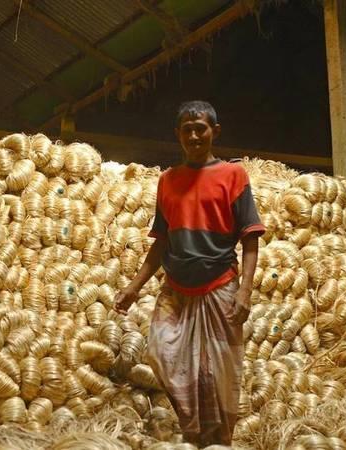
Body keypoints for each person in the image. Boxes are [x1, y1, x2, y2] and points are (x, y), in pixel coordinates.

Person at [114, 100, 264, 447]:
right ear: (178, 134)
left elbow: (251, 236)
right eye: (187, 129)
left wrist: (245, 292)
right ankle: (193, 430)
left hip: (220, 287)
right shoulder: (168, 181)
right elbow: (162, 241)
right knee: (161, 353)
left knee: (218, 375)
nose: (194, 135)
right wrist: (135, 286)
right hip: (176, 289)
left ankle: (218, 441)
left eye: (201, 128)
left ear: (215, 131)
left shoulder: (233, 175)